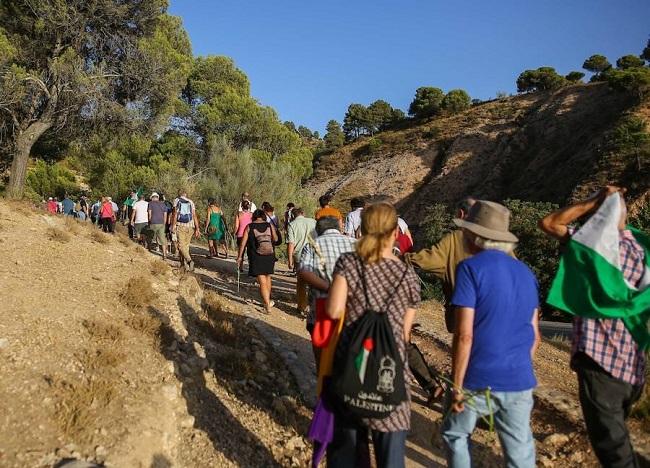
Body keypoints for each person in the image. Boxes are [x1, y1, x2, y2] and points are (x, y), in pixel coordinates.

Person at [539, 186, 646, 468]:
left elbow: (550, 223)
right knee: (617, 438)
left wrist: (593, 201)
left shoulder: (591, 249)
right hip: (632, 366)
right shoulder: (643, 253)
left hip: (600, 363)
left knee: (614, 452)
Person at [441, 200, 540, 468]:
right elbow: (535, 335)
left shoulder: (470, 269)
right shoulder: (526, 274)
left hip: (478, 378)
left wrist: (457, 386)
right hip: (519, 378)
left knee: (455, 433)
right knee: (519, 450)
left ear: (474, 236)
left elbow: (464, 335)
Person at [325, 202, 420, 468]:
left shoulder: (349, 263)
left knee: (346, 450)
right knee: (391, 457)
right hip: (390, 372)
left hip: (352, 366)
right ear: (394, 234)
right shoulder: (407, 276)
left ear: (362, 230)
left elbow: (333, 311)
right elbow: (405, 333)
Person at [405, 197, 477, 333]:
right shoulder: (497, 241)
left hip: (462, 309)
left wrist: (406, 257)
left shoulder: (455, 238)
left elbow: (428, 260)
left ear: (461, 214)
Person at [298, 216, 356, 364]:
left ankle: (323, 381)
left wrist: (330, 288)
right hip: (352, 308)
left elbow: (304, 272)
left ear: (318, 230)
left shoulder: (312, 245)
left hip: (321, 309)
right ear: (339, 228)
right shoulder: (355, 244)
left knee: (323, 358)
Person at [236, 209, 279, 313]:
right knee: (268, 277)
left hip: (257, 256)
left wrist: (239, 256)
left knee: (262, 280)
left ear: (254, 216)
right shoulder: (269, 225)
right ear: (263, 216)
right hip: (269, 255)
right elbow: (276, 239)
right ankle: (267, 301)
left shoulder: (249, 226)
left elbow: (243, 243)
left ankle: (267, 306)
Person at [287, 207, 317, 314]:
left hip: (299, 257)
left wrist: (289, 259)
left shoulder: (292, 225)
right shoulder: (313, 222)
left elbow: (291, 243)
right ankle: (313, 306)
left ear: (293, 216)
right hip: (314, 255)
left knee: (301, 282)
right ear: (303, 213)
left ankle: (302, 306)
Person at [171, 191, 200, 272]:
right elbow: (194, 215)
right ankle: (184, 266)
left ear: (179, 194)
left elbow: (175, 214)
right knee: (185, 247)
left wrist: (173, 225)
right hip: (191, 227)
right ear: (186, 194)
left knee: (180, 246)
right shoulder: (191, 202)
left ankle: (189, 261)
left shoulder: (176, 200)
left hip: (181, 226)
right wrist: (197, 228)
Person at [148, 192, 168, 260]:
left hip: (153, 222)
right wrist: (164, 223)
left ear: (152, 197)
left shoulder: (150, 203)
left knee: (150, 237)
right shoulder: (163, 204)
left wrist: (150, 221)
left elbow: (149, 214)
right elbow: (165, 214)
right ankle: (164, 255)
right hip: (162, 223)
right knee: (162, 239)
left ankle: (149, 251)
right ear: (158, 197)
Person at [234, 200, 253, 271]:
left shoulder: (239, 214)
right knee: (250, 252)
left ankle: (240, 267)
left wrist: (234, 233)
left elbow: (236, 226)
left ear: (241, 206)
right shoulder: (252, 214)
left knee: (241, 251)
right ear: (248, 206)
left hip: (240, 234)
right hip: (249, 235)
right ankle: (251, 268)